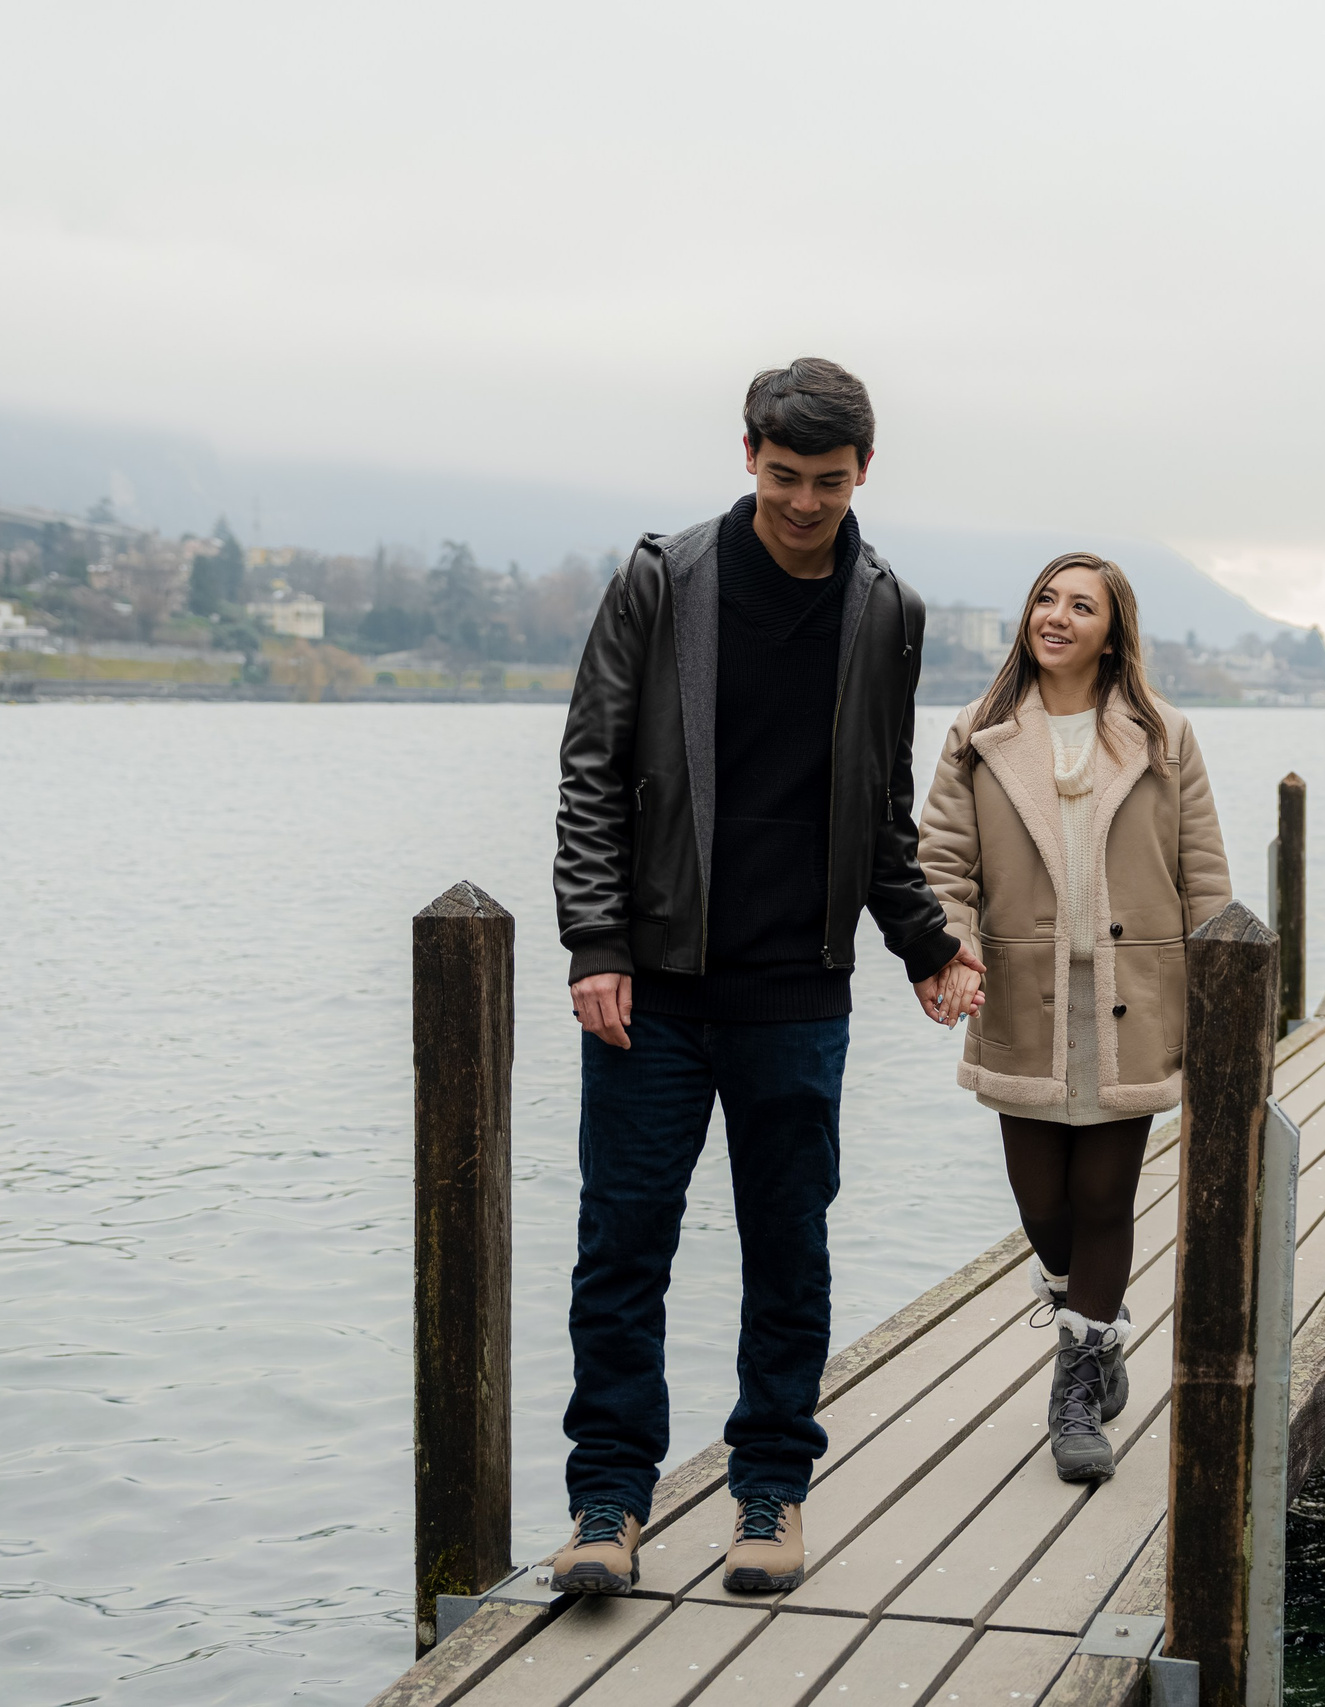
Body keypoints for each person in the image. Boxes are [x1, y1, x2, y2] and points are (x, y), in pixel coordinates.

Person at [546, 358, 979, 1596]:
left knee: (789, 1249)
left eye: (827, 483)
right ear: (745, 454)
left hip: (798, 991)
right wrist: (596, 943)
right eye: (783, 477)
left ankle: (770, 1494)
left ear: (865, 473)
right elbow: (591, 769)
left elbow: (879, 809)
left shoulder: (885, 610)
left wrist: (926, 942)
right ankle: (608, 1509)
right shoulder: (661, 579)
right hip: (655, 990)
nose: (802, 504)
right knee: (621, 1249)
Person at [918, 552, 1231, 1482]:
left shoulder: (1163, 735)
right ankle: (1080, 1312)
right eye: (1044, 600)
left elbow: (1203, 870)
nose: (1056, 616)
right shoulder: (977, 733)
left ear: (1113, 629)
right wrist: (951, 947)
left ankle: (1081, 1375)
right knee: (1041, 1200)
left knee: (1104, 1195)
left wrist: (1223, 996)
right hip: (1019, 991)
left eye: (1080, 605)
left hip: (1136, 995)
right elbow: (944, 862)